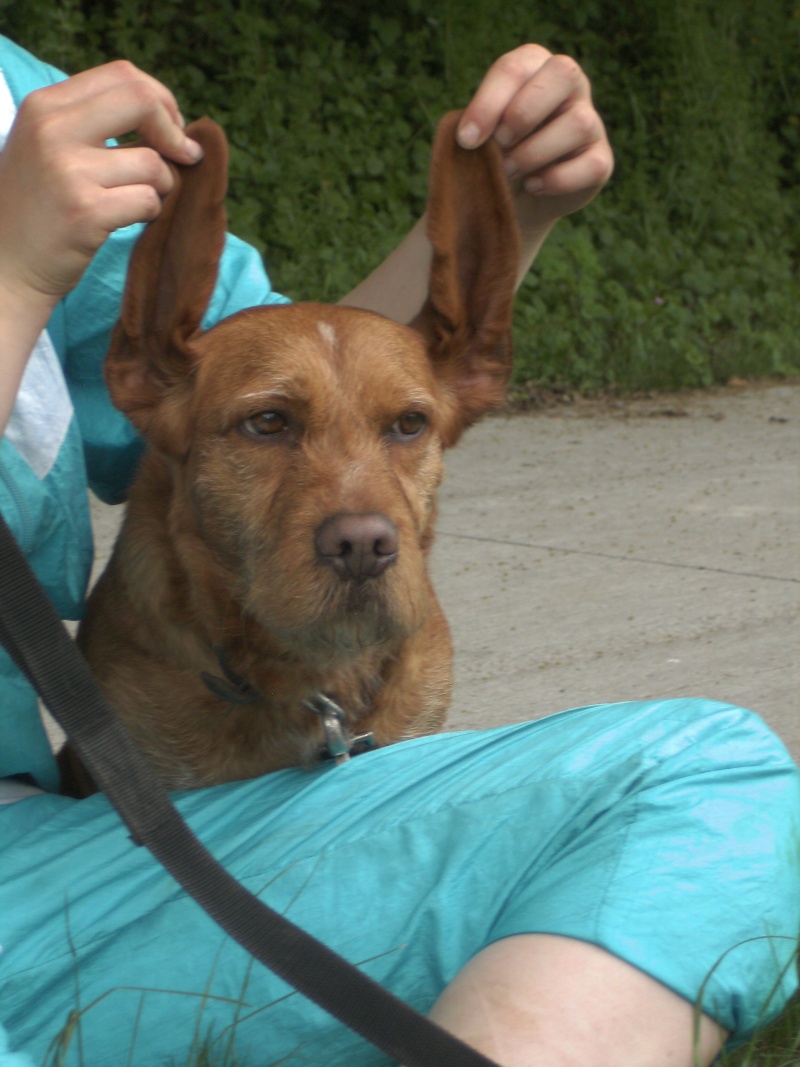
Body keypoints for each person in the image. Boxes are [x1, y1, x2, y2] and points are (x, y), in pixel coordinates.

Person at [0, 32, 797, 1067]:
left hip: (65, 873)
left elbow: (282, 358)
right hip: (81, 873)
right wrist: (12, 275)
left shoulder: (25, 106)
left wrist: (487, 219)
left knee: (707, 778)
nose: (358, 523)